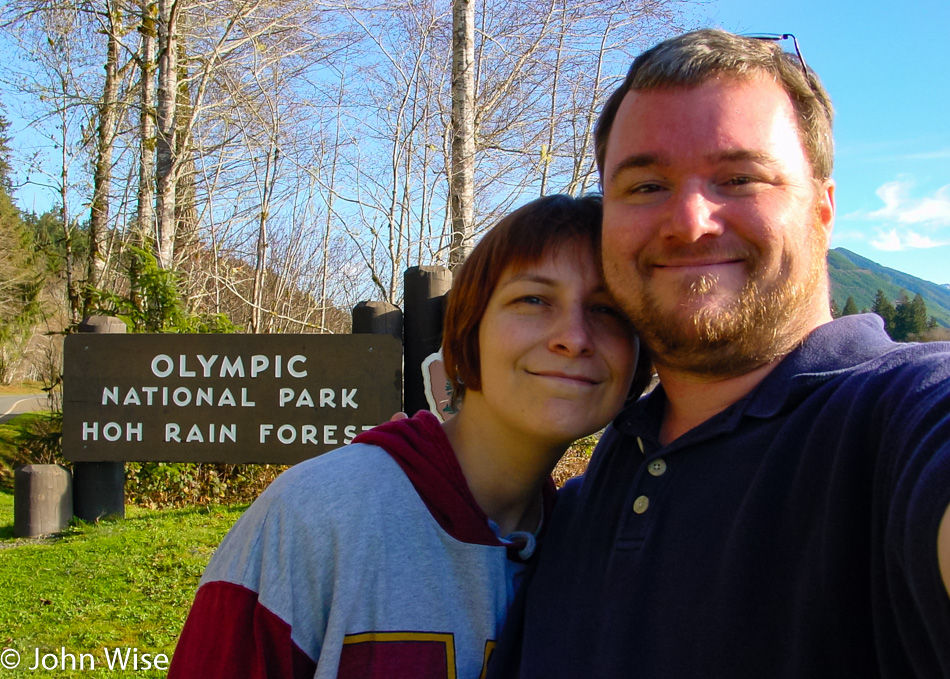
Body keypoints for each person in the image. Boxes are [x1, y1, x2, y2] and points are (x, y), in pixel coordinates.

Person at [487, 29, 950, 678]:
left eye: (739, 177)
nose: (690, 220)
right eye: (645, 186)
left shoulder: (899, 422)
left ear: (822, 210)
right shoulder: (582, 502)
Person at [168, 194, 651, 678]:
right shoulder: (314, 517)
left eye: (608, 310)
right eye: (533, 299)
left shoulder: (601, 548)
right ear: (468, 328)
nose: (574, 336)